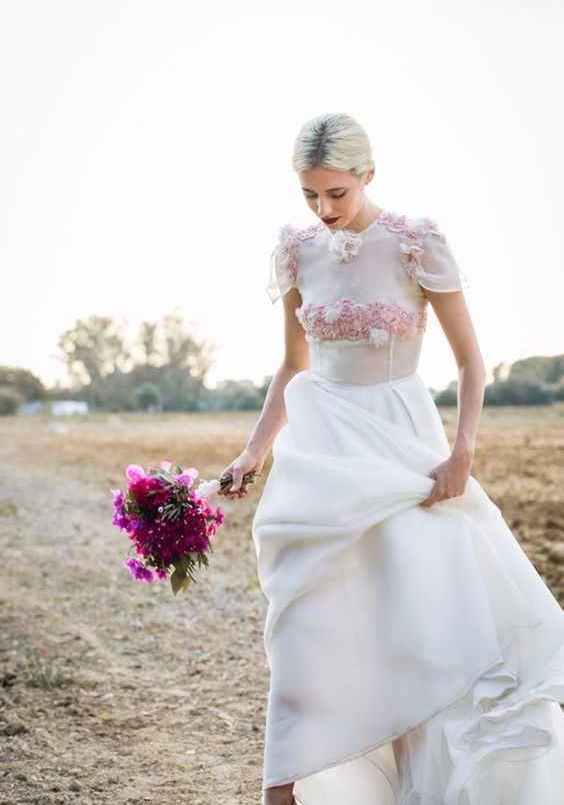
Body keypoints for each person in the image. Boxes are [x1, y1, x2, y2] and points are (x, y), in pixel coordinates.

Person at [219, 112, 564, 805]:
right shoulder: (296, 251)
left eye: (337, 194)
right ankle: (282, 791)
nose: (324, 210)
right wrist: (255, 452)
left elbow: (471, 362)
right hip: (319, 450)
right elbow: (293, 364)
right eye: (310, 195)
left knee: (420, 622)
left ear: (368, 176)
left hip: (404, 451)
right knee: (304, 620)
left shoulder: (416, 243)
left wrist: (461, 451)